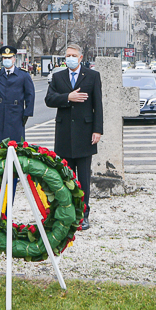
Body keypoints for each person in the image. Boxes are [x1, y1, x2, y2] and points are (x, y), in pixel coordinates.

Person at [45, 43, 103, 230]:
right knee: (65, 178)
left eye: (73, 55)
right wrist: (67, 97)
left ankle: (84, 214)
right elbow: (49, 99)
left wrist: (98, 130)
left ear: (80, 57)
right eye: (67, 55)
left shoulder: (92, 76)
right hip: (63, 135)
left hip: (85, 134)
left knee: (84, 178)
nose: (69, 58)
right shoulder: (58, 76)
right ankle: (67, 213)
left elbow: (98, 105)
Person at [0, 46, 36, 147]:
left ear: (14, 59)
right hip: (0, 113)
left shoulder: (23, 75)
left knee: (16, 145)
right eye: (4, 58)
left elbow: (30, 94)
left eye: (9, 58)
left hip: (16, 113)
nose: (7, 60)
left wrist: (27, 112)